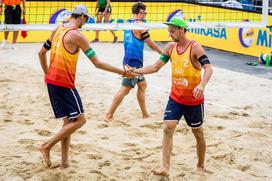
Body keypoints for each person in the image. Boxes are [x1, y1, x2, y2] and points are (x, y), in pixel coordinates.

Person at [38, 5, 134, 169]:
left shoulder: (58, 29)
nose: (86, 23)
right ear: (81, 17)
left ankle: (64, 162)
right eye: (86, 20)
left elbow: (41, 53)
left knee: (69, 121)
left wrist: (47, 73)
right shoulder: (77, 36)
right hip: (63, 83)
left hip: (52, 82)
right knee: (81, 120)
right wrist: (123, 72)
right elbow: (97, 63)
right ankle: (46, 145)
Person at [133, 17, 213, 176]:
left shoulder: (195, 47)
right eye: (168, 31)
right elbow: (155, 67)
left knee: (197, 133)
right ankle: (165, 167)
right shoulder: (170, 48)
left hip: (193, 100)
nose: (169, 34)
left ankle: (200, 165)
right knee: (168, 128)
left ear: (182, 30)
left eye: (172, 31)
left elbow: (209, 68)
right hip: (175, 98)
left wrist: (202, 85)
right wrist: (136, 71)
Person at [104, 2, 163, 122]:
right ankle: (109, 115)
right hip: (134, 63)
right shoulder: (140, 26)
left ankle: (145, 114)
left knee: (142, 85)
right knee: (125, 89)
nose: (145, 15)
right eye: (144, 13)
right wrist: (161, 53)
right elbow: (150, 43)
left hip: (129, 60)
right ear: (139, 12)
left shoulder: (128, 23)